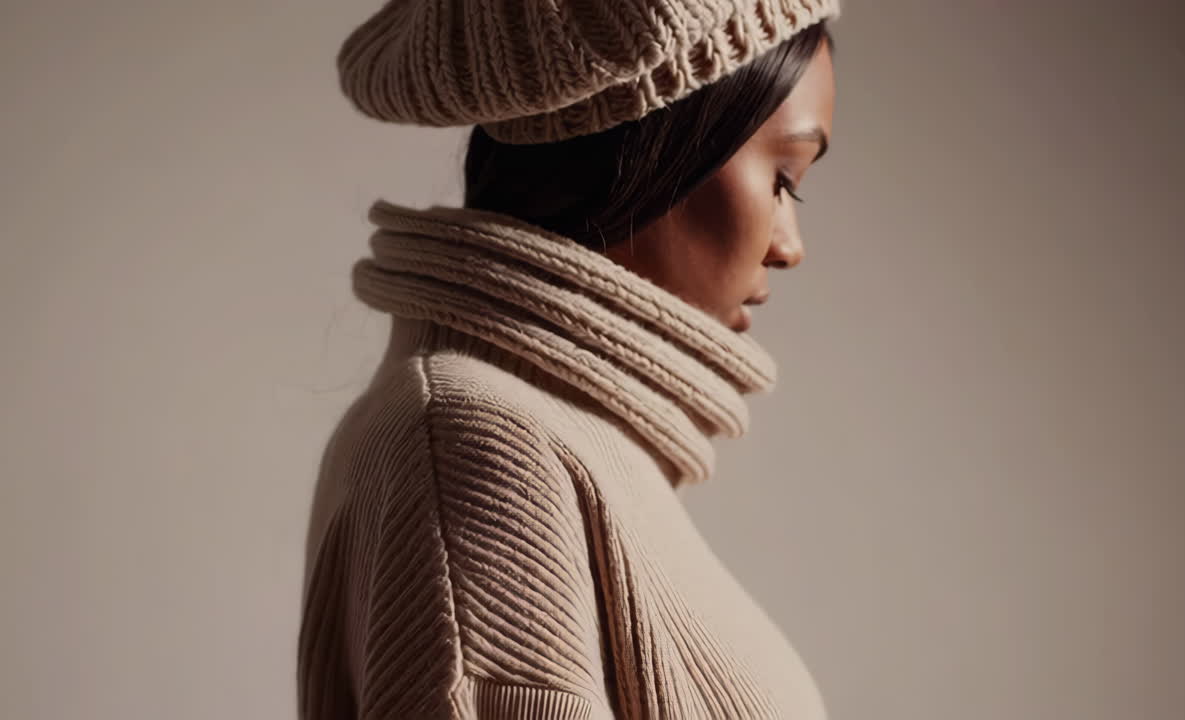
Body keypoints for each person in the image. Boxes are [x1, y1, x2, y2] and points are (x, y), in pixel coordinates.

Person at [297, 1, 839, 718]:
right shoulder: (480, 448)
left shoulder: (545, 440)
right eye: (784, 181)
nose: (789, 246)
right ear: (654, 146)